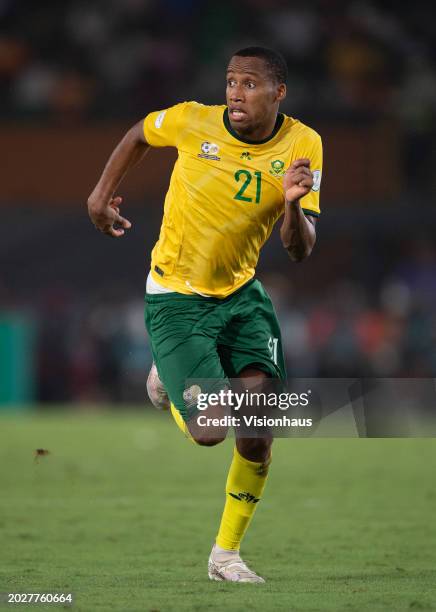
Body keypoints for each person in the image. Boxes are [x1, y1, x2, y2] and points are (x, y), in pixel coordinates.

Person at [87, 46, 322, 583]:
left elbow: (300, 248)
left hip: (241, 296)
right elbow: (140, 134)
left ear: (279, 92)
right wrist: (101, 195)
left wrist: (290, 203)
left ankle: (226, 557)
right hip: (176, 297)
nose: (236, 92)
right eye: (231, 81)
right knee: (213, 430)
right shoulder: (194, 120)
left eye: (250, 83)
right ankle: (169, 382)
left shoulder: (305, 144)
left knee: (260, 428)